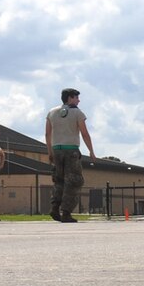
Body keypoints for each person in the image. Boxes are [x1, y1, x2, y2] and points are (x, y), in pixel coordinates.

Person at [44, 88, 95, 222]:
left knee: (59, 181)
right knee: (73, 181)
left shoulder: (52, 112)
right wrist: (91, 150)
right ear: (70, 98)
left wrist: (50, 152)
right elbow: (84, 133)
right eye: (77, 97)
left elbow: (47, 134)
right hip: (71, 150)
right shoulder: (77, 112)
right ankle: (66, 212)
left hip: (56, 150)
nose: (79, 100)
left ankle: (55, 207)